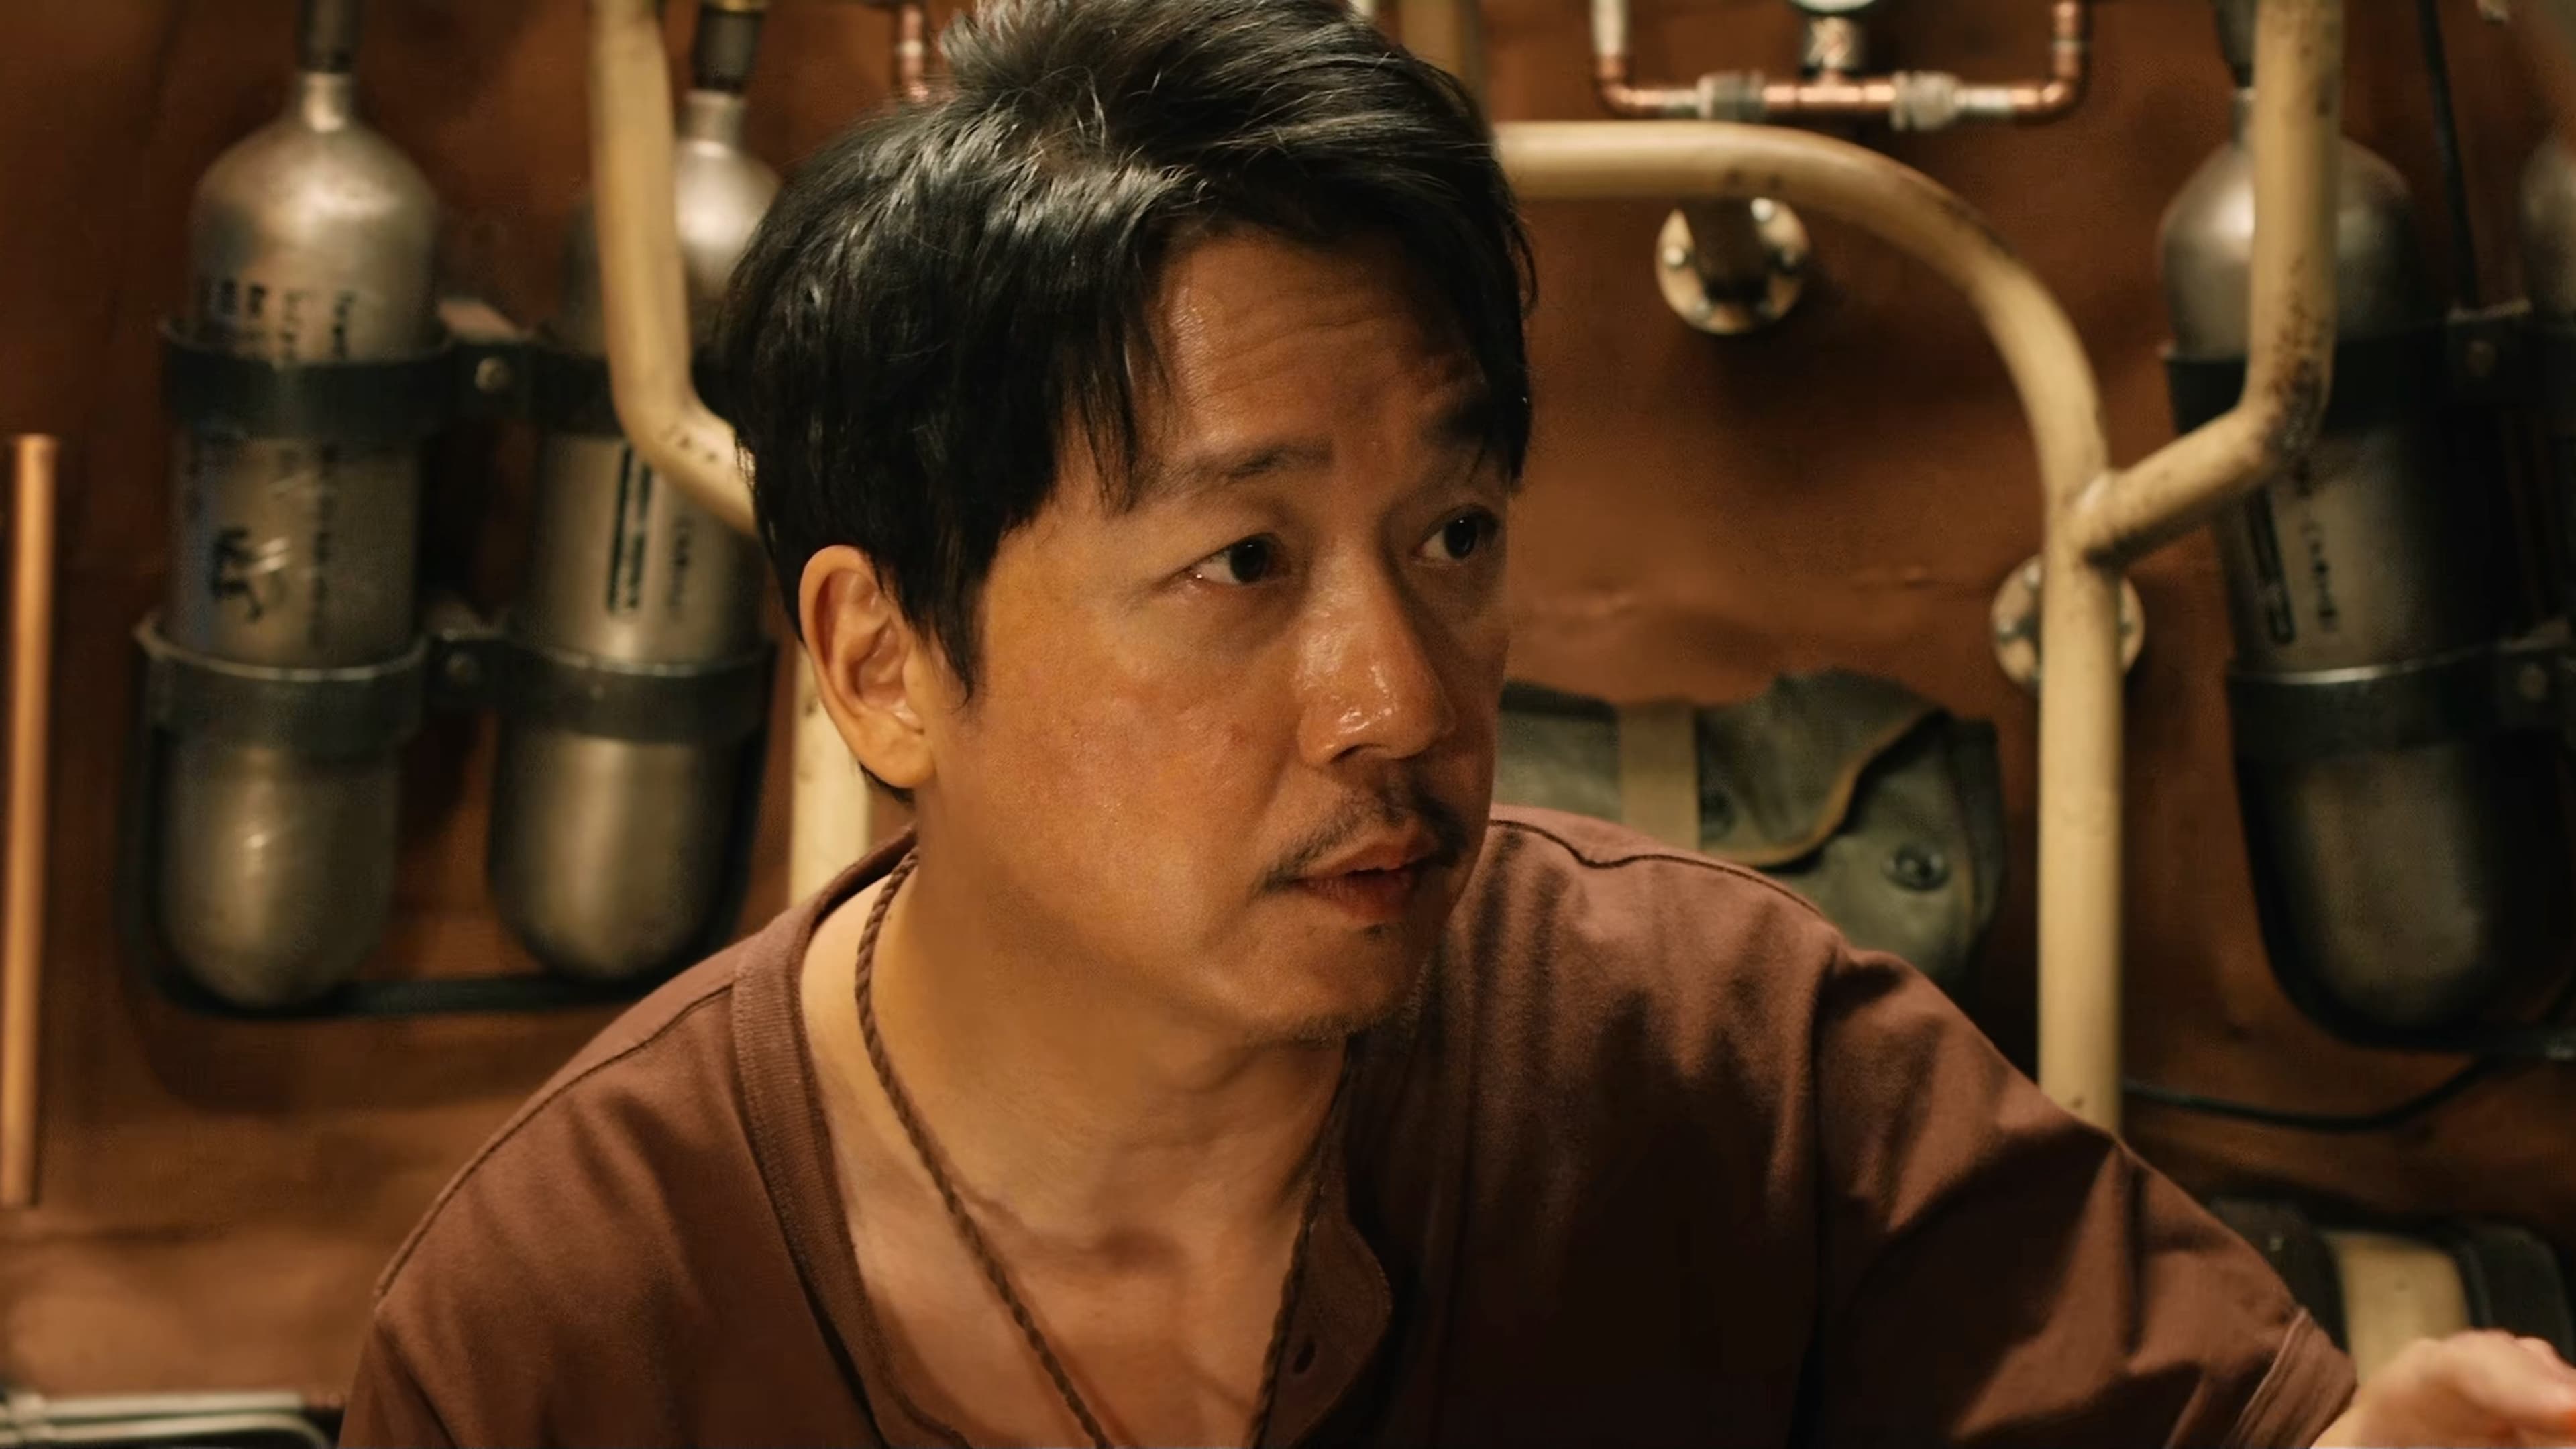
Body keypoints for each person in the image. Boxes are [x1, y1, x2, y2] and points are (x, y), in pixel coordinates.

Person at [341, 0, 2576, 1443]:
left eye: (1458, 535)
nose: (1401, 697)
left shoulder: (1712, 1056)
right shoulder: (572, 1322)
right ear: (881, 661)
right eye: (1242, 564)